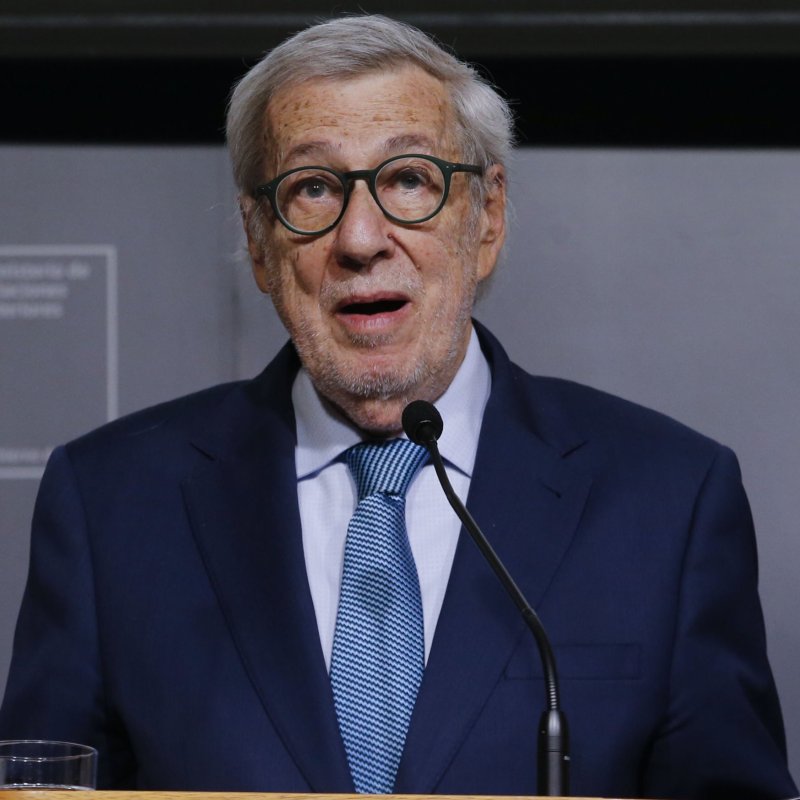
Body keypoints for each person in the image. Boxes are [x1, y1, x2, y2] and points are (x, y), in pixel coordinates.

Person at [0, 14, 796, 800]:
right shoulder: (111, 503)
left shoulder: (670, 500)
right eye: (313, 188)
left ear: (487, 219)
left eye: (408, 180)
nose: (360, 238)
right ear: (259, 242)